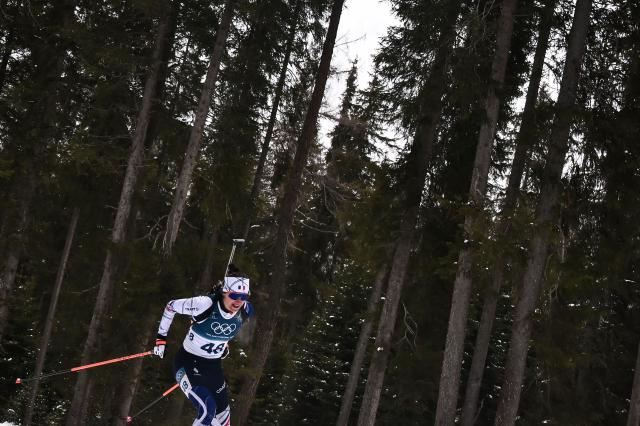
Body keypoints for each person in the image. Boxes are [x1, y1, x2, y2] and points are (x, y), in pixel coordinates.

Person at [153, 269, 253, 426]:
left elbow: (224, 332)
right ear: (224, 292)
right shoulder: (204, 304)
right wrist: (161, 338)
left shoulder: (246, 311)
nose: (238, 302)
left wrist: (222, 346)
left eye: (244, 297)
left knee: (223, 421)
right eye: (234, 296)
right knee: (207, 410)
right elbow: (171, 306)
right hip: (187, 363)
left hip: (213, 369)